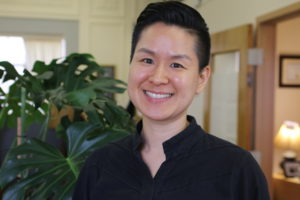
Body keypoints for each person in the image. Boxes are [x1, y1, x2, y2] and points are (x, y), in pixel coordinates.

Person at [73, 1, 270, 199]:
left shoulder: (237, 170)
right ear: (131, 64)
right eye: (147, 60)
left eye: (176, 64)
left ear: (202, 78)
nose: (158, 78)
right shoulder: (99, 165)